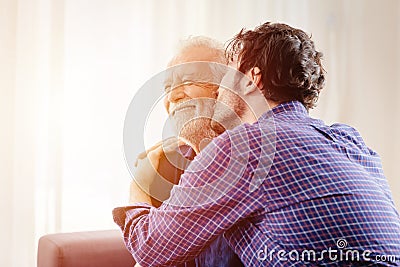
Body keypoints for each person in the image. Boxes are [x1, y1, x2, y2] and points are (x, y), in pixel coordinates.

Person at [114, 22, 400, 266]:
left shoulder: (244, 147)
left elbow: (152, 248)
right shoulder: (350, 140)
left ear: (252, 79)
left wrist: (139, 183)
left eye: (229, 75)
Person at [130, 36, 243, 266]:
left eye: (188, 80)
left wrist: (138, 183)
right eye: (168, 88)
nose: (172, 96)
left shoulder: (254, 154)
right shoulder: (166, 164)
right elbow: (149, 257)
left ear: (225, 89)